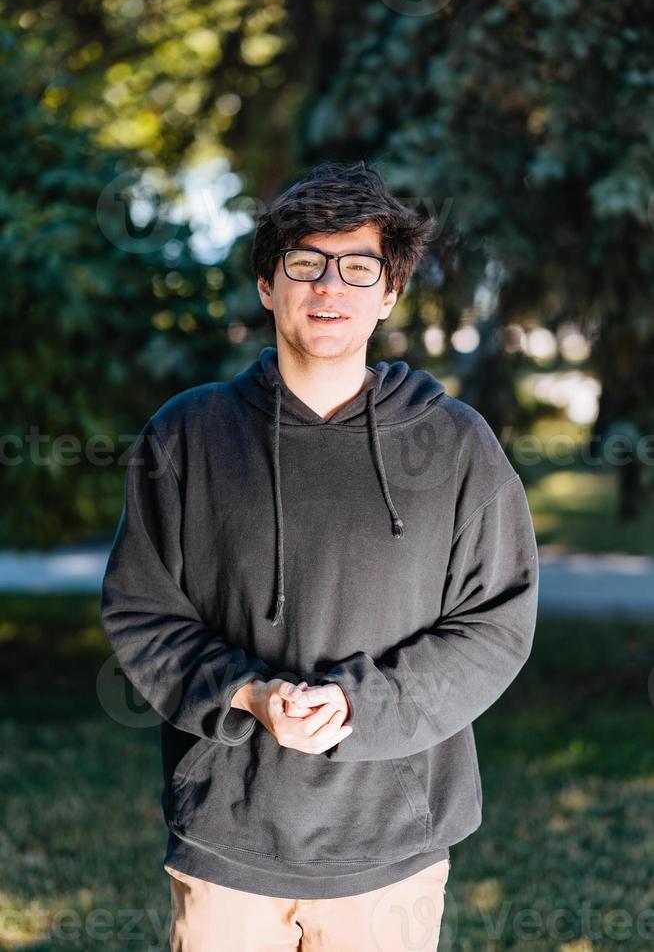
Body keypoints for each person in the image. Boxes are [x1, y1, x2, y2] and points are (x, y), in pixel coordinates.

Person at [100, 160, 539, 951]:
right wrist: (247, 694)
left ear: (389, 293)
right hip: (230, 841)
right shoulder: (188, 435)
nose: (329, 287)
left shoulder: (456, 444)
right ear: (269, 285)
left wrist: (359, 706)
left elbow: (496, 625)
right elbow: (142, 611)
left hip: (391, 848)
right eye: (305, 263)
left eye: (357, 267)